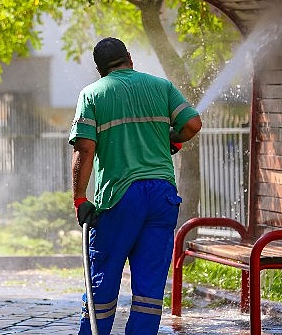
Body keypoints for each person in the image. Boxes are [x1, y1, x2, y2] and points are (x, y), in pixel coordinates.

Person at [69, 37, 202, 335]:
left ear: (100, 69)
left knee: (103, 278)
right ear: (129, 57)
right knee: (149, 289)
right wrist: (174, 139)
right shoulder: (160, 86)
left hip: (120, 197)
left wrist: (80, 199)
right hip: (162, 196)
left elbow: (85, 149)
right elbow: (193, 124)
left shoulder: (92, 95)